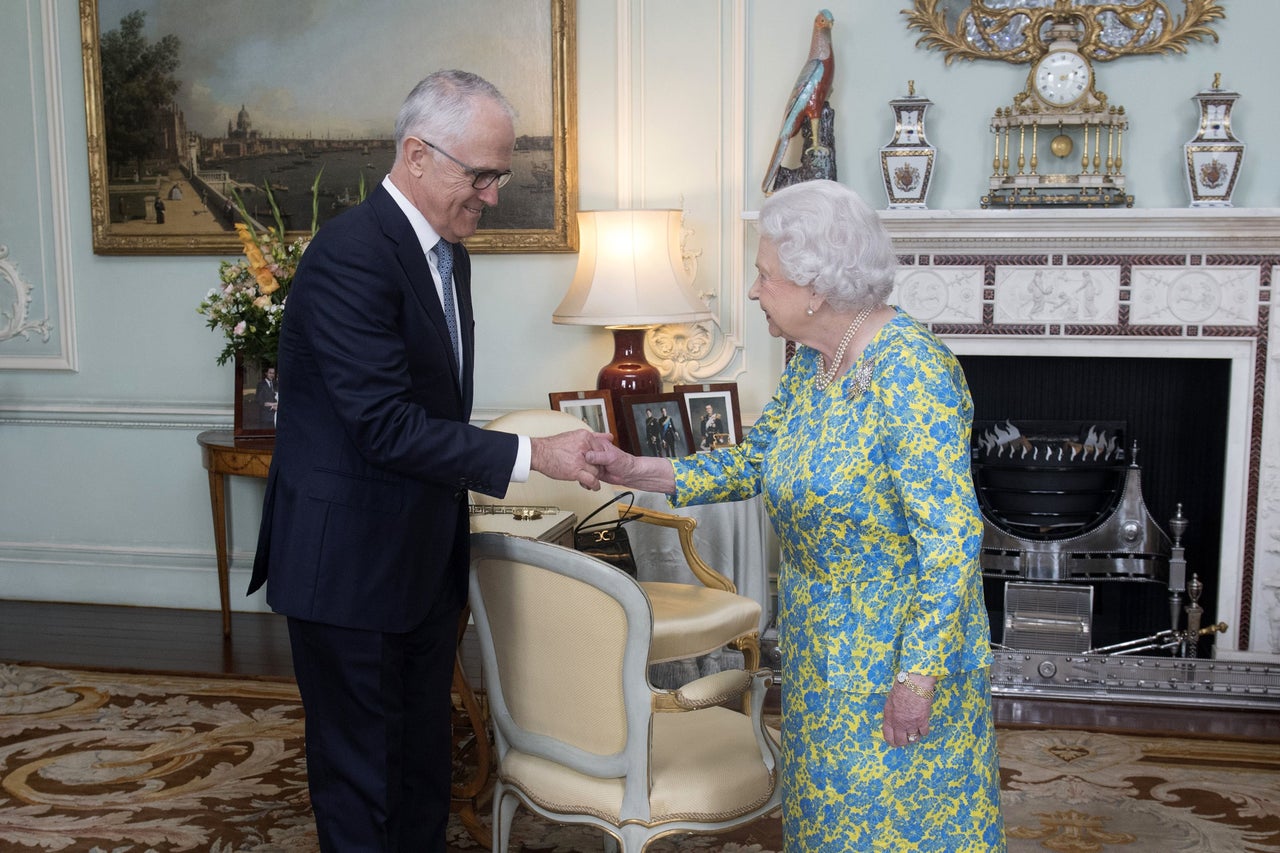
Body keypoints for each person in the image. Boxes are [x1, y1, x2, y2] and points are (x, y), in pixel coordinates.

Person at [585, 180, 1005, 851]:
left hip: (892, 655)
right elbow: (759, 460)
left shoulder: (911, 370)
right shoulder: (815, 362)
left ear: (816, 286)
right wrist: (646, 471)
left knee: (898, 827)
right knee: (829, 826)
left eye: (764, 274)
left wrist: (916, 677)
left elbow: (952, 540)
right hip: (819, 649)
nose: (754, 291)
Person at [248, 70, 603, 852]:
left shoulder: (447, 252)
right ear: (417, 155)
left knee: (419, 771)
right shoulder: (351, 256)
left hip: (414, 562)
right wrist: (533, 452)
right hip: (350, 568)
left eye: (501, 174)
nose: (494, 194)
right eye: (481, 174)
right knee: (362, 787)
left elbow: (428, 411)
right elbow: (384, 426)